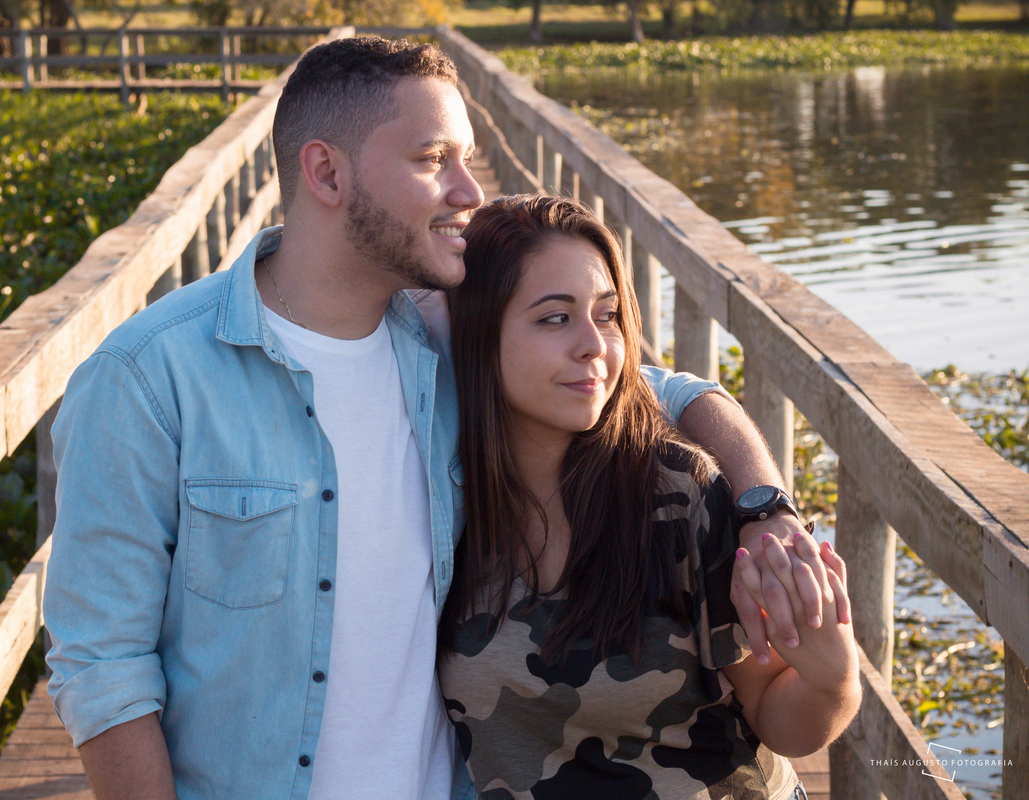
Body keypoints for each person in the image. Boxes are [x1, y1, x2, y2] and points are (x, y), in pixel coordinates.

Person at [43, 36, 842, 799]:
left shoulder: (441, 339)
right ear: (326, 172)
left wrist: (764, 510)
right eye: (433, 161)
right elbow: (104, 668)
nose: (469, 190)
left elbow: (657, 389)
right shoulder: (149, 379)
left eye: (467, 157)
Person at [437, 194, 861, 799]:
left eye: (606, 315)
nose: (594, 345)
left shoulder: (677, 493)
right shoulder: (441, 498)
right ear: (477, 334)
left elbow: (777, 712)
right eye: (554, 318)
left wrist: (834, 676)